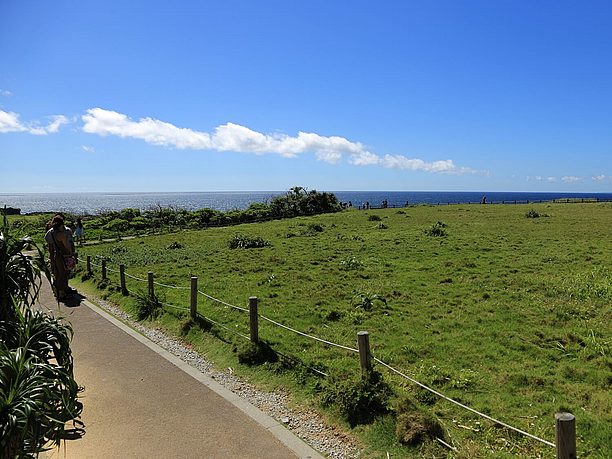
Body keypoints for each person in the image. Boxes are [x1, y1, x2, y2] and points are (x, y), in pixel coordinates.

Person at [45, 214, 75, 300]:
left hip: (56, 255)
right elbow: (69, 245)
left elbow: (50, 248)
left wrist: (51, 259)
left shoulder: (51, 233)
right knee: (63, 273)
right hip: (64, 256)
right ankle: (61, 292)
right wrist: (71, 253)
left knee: (59, 273)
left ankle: (61, 290)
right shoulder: (64, 233)